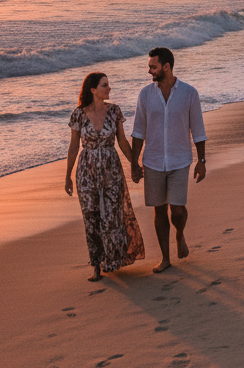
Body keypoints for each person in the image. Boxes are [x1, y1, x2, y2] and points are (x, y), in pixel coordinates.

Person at [130, 47, 207, 274]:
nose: (149, 70)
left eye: (153, 66)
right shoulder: (145, 95)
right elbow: (138, 132)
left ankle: (180, 234)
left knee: (178, 209)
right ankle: (165, 258)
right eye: (149, 66)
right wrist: (134, 163)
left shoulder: (189, 93)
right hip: (152, 161)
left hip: (180, 159)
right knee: (159, 210)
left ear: (166, 66)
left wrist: (201, 161)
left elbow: (199, 130)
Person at [65, 72, 145, 281]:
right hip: (86, 173)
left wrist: (134, 165)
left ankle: (113, 259)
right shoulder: (79, 114)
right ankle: (96, 265)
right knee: (91, 218)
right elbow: (73, 147)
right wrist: (68, 176)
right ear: (93, 90)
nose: (109, 89)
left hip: (111, 170)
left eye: (108, 85)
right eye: (104, 85)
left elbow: (123, 143)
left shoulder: (114, 112)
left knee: (111, 216)